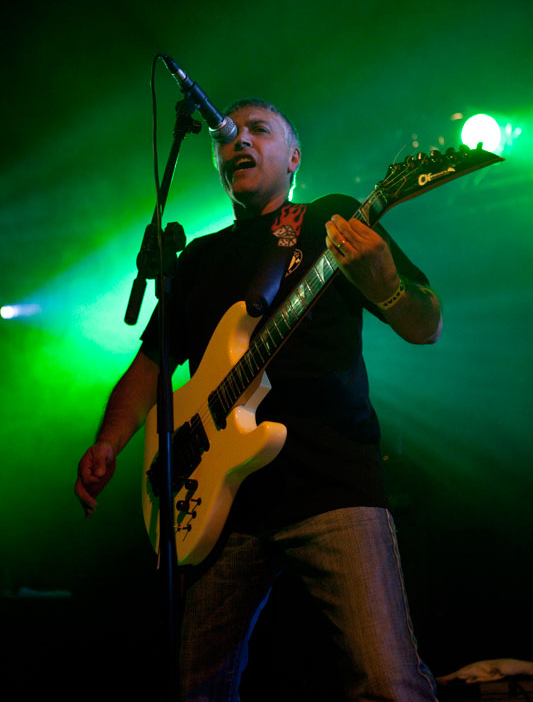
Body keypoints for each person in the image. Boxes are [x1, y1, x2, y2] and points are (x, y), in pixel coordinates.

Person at [76, 97, 443, 701]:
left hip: (332, 485)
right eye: (228, 135)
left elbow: (426, 326)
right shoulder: (199, 258)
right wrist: (109, 442)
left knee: (387, 683)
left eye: (259, 129)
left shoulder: (331, 220)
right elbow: (150, 366)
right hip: (222, 509)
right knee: (197, 690)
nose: (239, 139)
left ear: (293, 157)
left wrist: (388, 288)